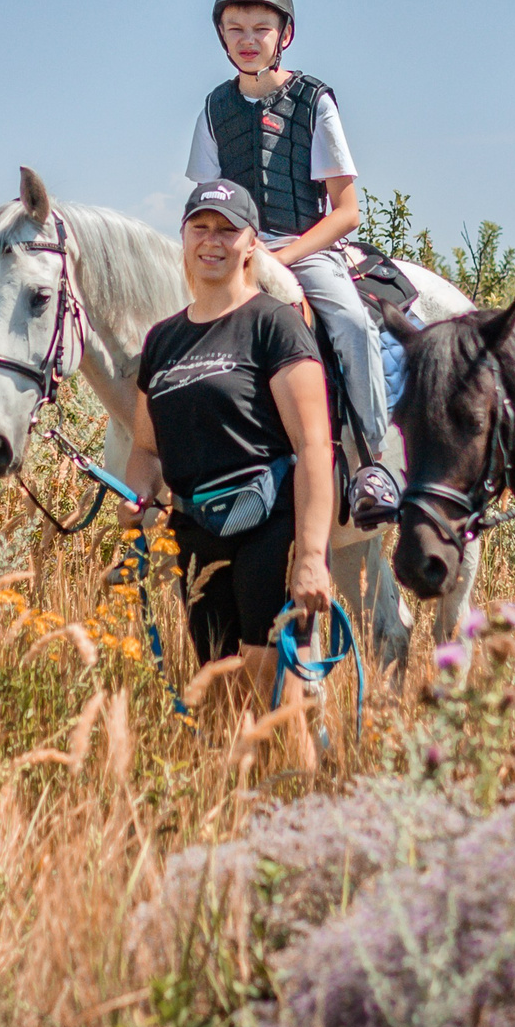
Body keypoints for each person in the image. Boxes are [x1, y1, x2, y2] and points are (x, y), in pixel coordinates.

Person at [186, 0, 401, 529]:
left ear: (285, 34)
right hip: (234, 252)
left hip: (305, 249)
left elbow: (348, 211)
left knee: (352, 323)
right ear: (221, 37)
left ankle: (374, 464)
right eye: (234, 28)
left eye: (261, 27)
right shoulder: (213, 110)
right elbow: (203, 204)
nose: (247, 38)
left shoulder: (314, 101)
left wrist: (279, 259)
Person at [120, 180, 337, 710]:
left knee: (272, 681)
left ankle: (299, 792)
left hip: (269, 524)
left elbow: (313, 447)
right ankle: (236, 793)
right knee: (218, 689)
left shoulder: (274, 324)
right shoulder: (162, 340)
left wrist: (311, 556)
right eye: (201, 227)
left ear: (251, 244)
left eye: (227, 229)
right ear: (184, 238)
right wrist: (135, 492)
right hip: (196, 532)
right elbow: (148, 447)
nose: (212, 241)